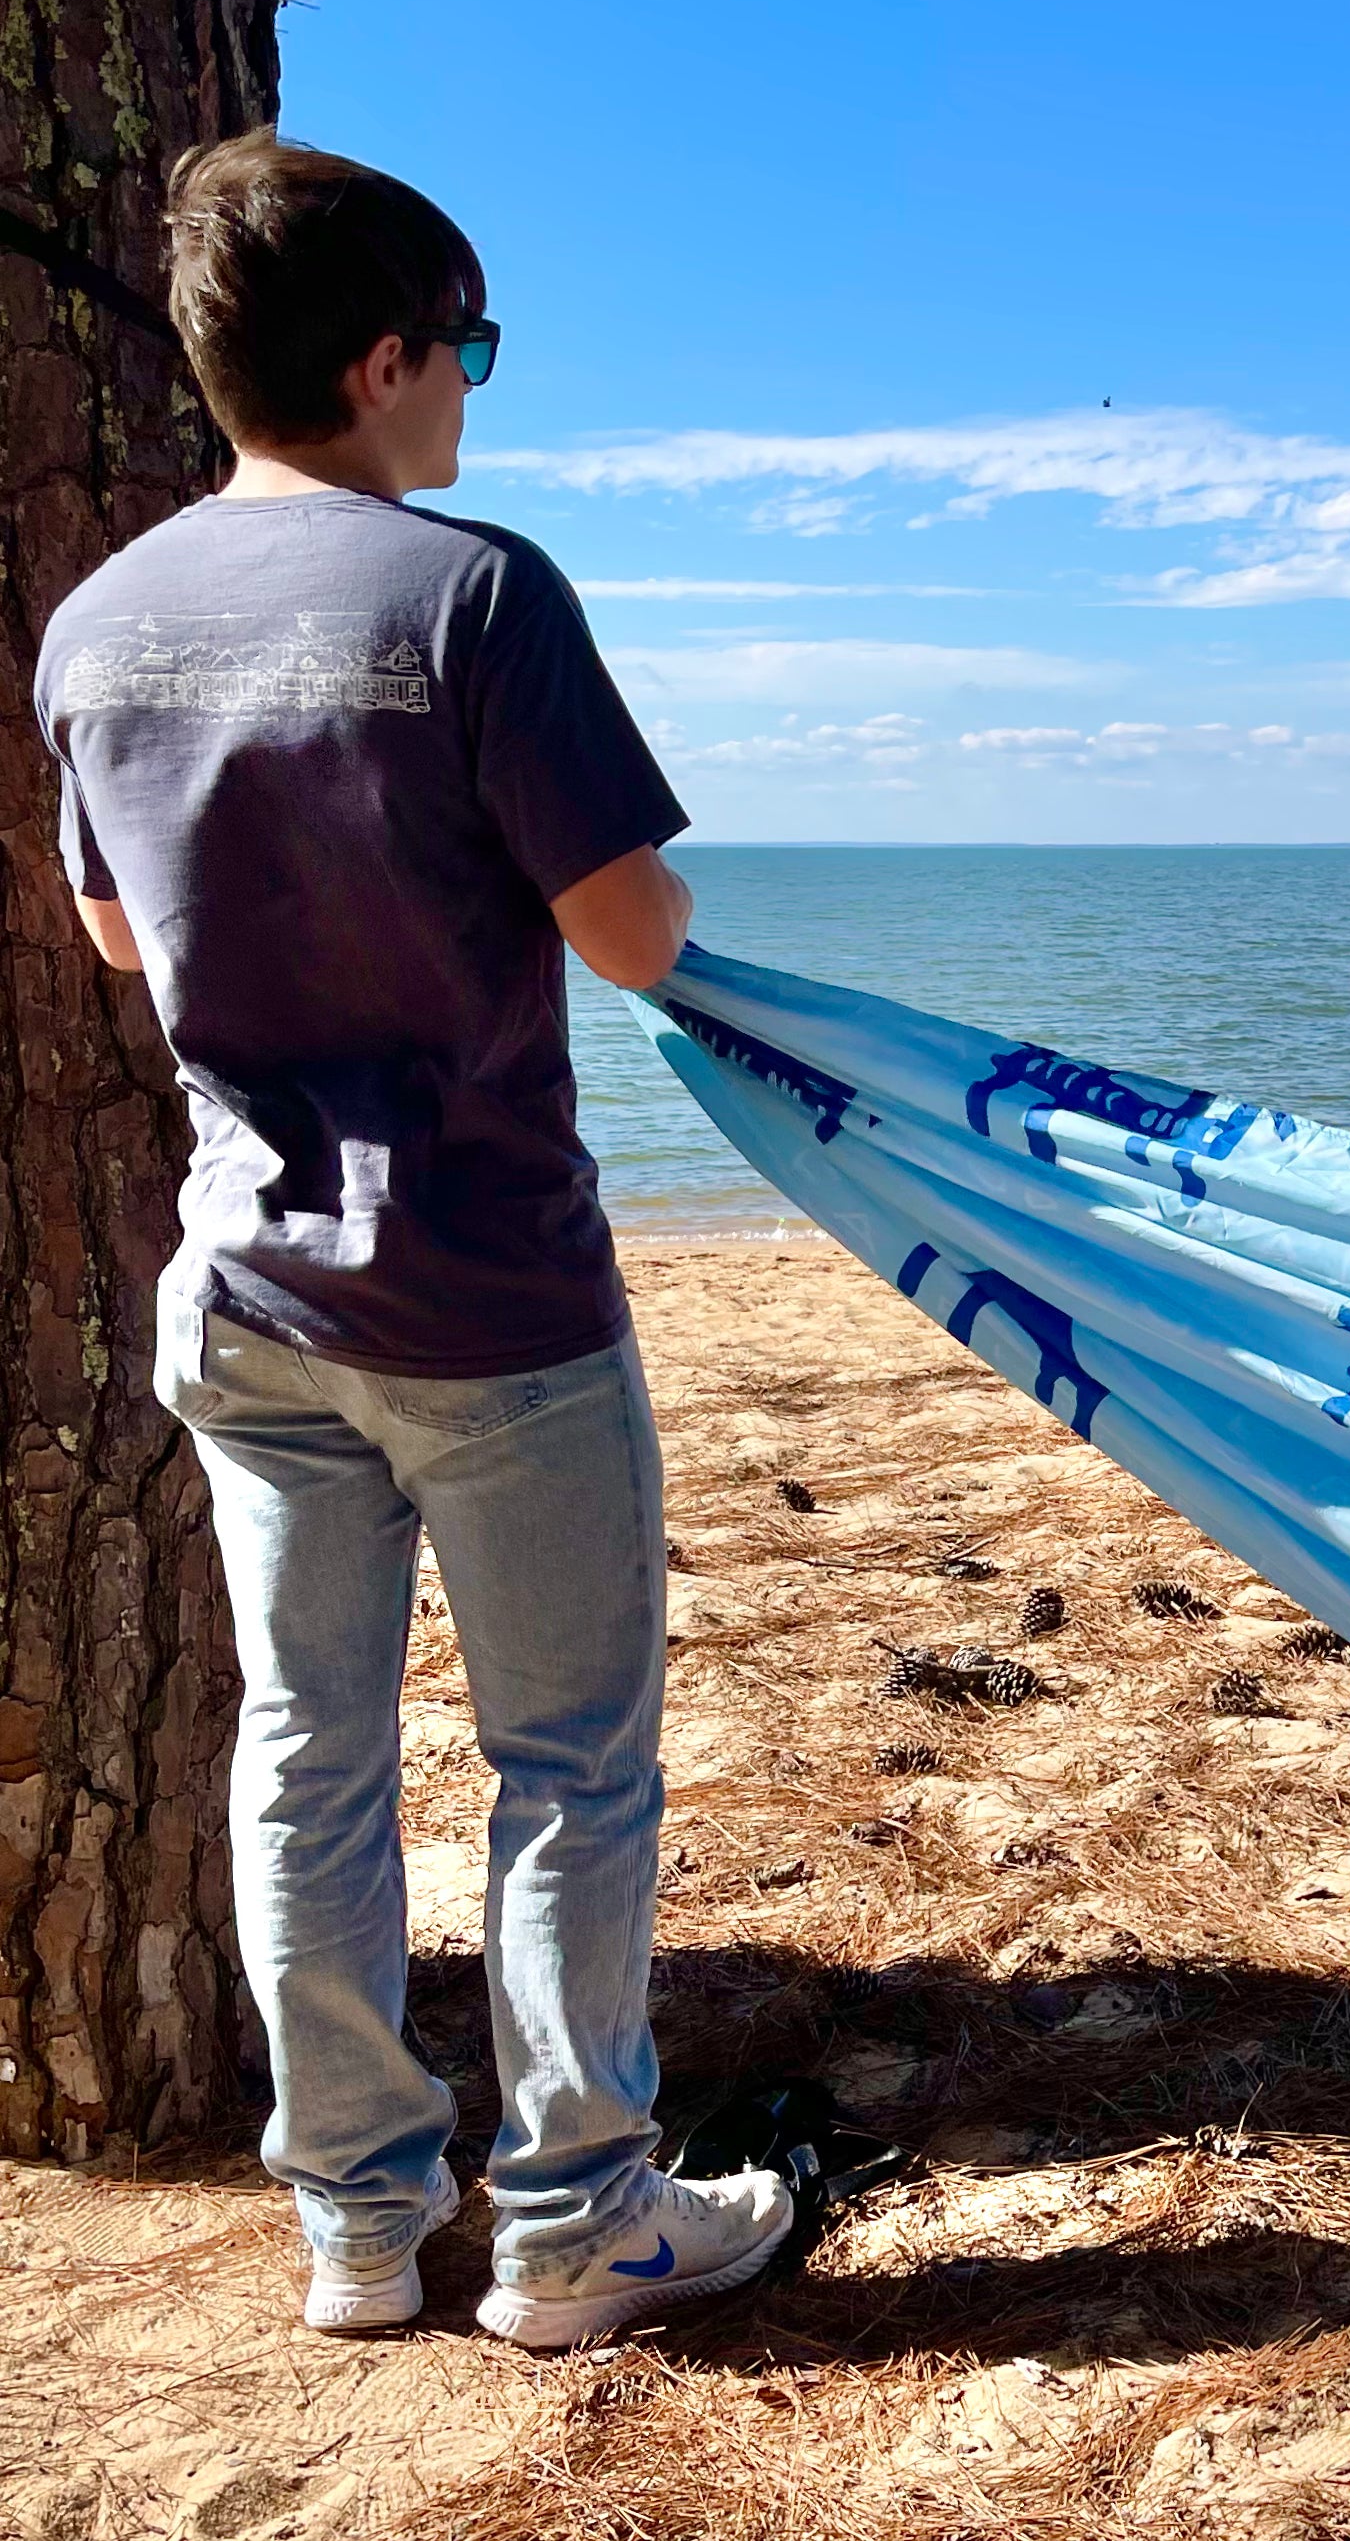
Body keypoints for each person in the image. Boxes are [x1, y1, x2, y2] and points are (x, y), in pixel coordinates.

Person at [33, 134, 793, 2346]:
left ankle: (358, 2224)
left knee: (310, 1748)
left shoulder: (98, 620)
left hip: (246, 1288)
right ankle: (574, 2225)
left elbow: (113, 931)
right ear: (380, 361)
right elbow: (636, 935)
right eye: (464, 348)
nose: (472, 391)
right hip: (486, 1296)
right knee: (569, 1760)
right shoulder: (472, 593)